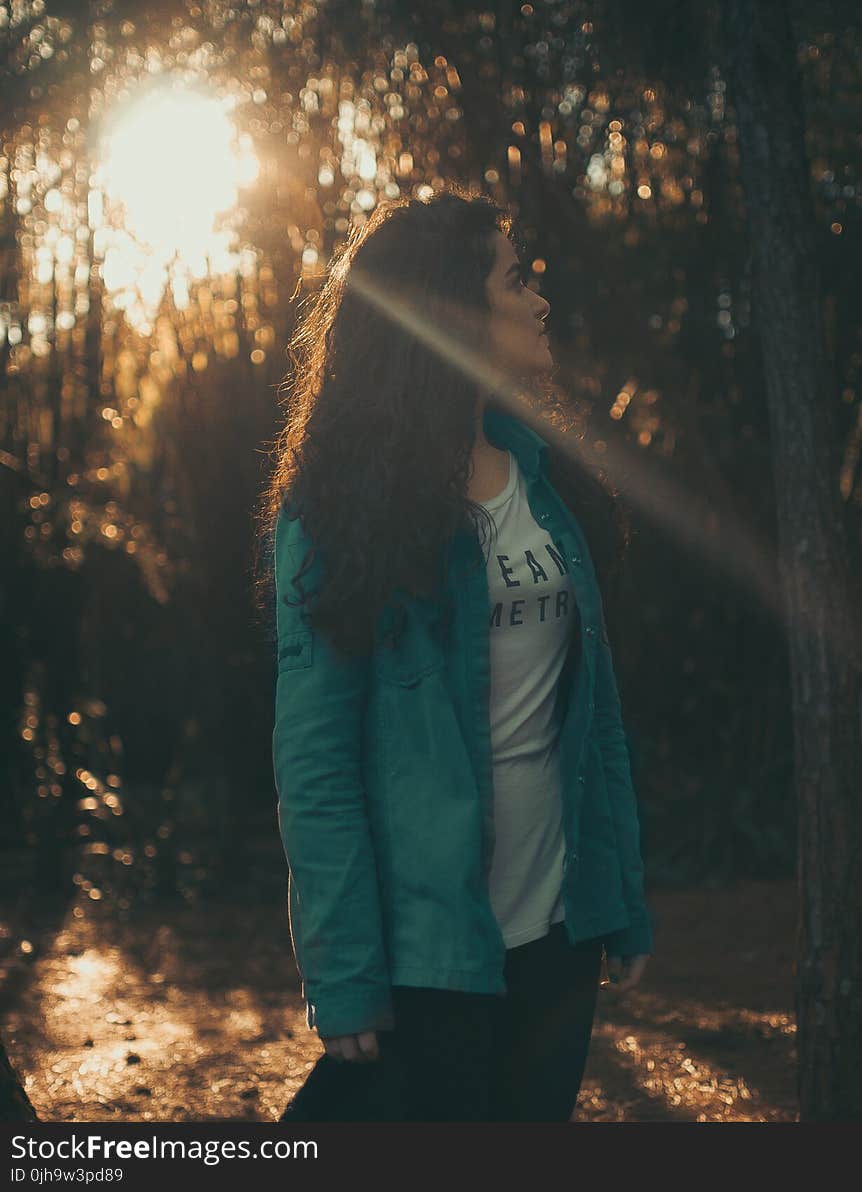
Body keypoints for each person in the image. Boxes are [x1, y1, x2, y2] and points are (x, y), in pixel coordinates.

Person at [254, 185, 654, 1122]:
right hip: (432, 956)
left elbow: (594, 720)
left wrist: (621, 895)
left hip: (560, 938)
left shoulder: (547, 487)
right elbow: (315, 762)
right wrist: (345, 975)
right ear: (453, 307)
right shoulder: (337, 512)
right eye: (516, 280)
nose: (539, 300)